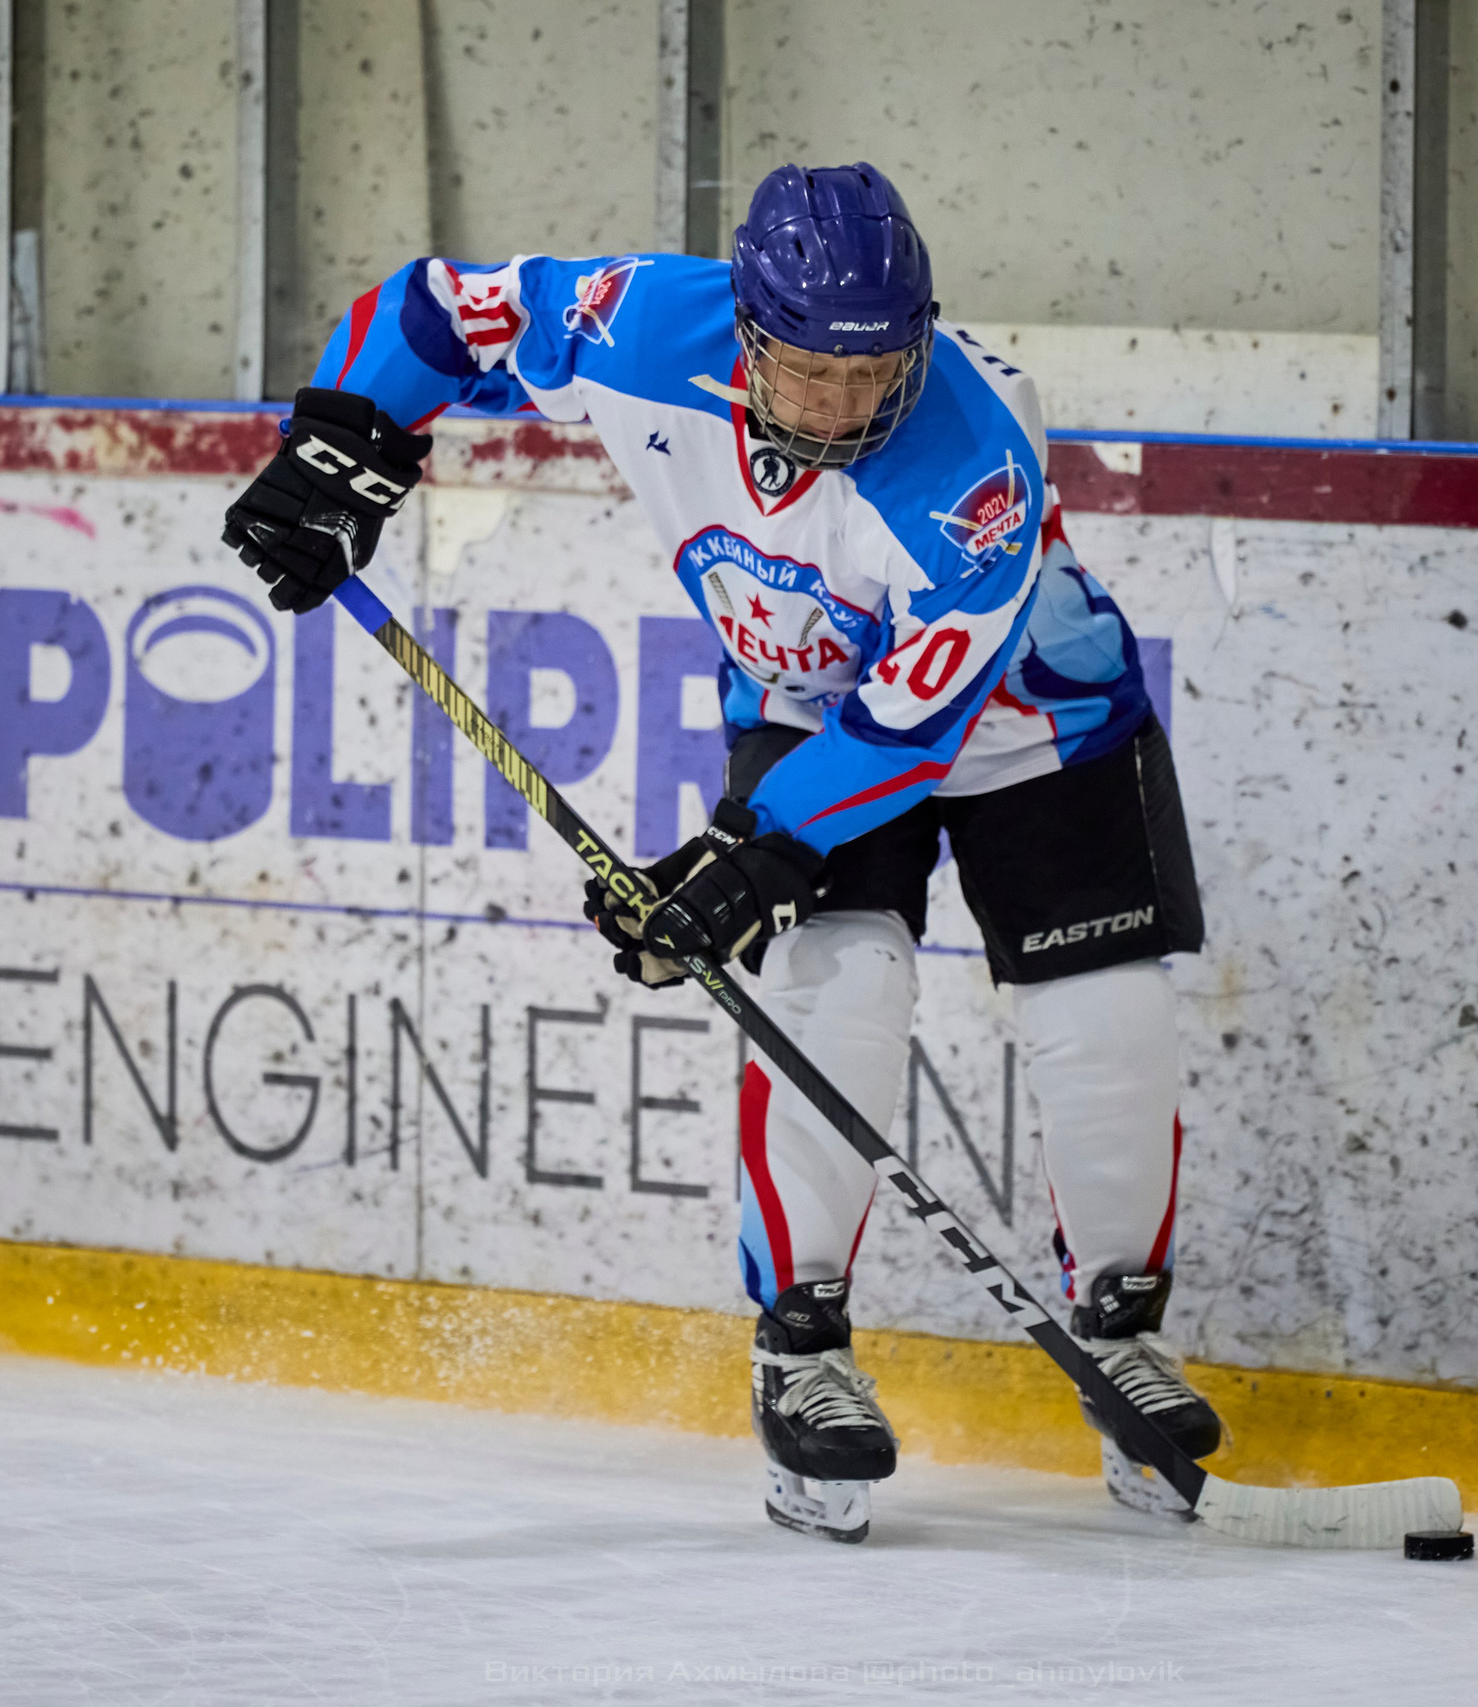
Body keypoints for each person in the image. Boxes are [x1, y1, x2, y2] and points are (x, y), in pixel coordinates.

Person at [222, 163, 1216, 1543]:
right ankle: (802, 1348)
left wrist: (746, 857)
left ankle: (1123, 1328)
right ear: (749, 332)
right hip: (808, 705)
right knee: (835, 995)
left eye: (876, 375)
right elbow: (442, 311)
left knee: (1106, 1016)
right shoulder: (641, 322)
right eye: (813, 374)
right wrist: (341, 445)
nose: (847, 409)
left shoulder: (974, 470)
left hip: (1038, 714)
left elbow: (913, 728)